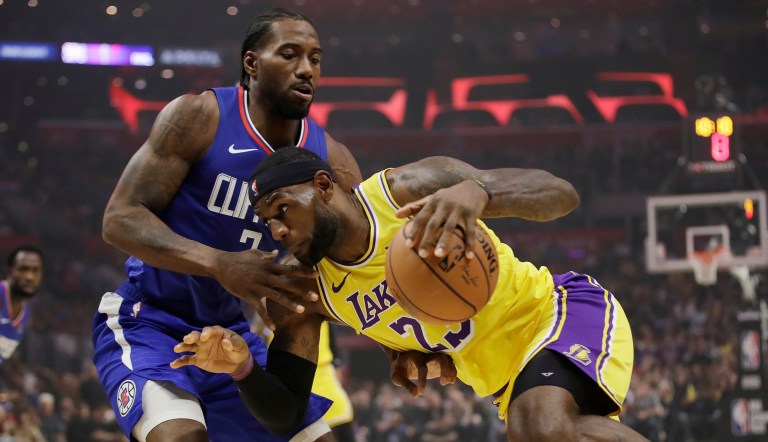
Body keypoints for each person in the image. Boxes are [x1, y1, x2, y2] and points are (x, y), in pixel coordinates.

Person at [92, 7, 451, 442]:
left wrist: (391, 343)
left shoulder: (332, 163)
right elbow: (119, 219)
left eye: (315, 59)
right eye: (290, 54)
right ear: (252, 63)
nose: (306, 70)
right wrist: (219, 263)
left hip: (231, 334)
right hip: (147, 320)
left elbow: (349, 271)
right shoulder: (199, 116)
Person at [172, 146, 650, 441]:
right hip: (502, 381)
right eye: (267, 221)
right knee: (543, 430)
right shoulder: (304, 287)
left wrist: (479, 191)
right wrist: (242, 368)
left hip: (556, 313)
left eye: (282, 209)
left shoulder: (404, 191)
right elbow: (285, 413)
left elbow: (561, 193)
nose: (276, 229)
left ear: (322, 186)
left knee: (539, 427)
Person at [0, 245, 44, 366]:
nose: (29, 277)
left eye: (35, 270)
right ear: (10, 271)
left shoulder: (25, 314)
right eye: (23, 269)